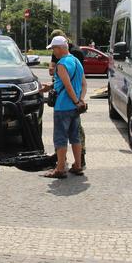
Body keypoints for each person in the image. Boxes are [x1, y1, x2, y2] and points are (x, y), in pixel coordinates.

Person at [40, 36, 87, 178]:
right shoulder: (76, 61)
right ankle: (78, 166)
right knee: (75, 137)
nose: (53, 52)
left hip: (63, 107)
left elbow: (67, 85)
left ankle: (60, 169)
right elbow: (84, 84)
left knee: (60, 138)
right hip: (75, 108)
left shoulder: (61, 64)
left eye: (53, 49)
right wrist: (80, 101)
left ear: (60, 48)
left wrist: (74, 100)